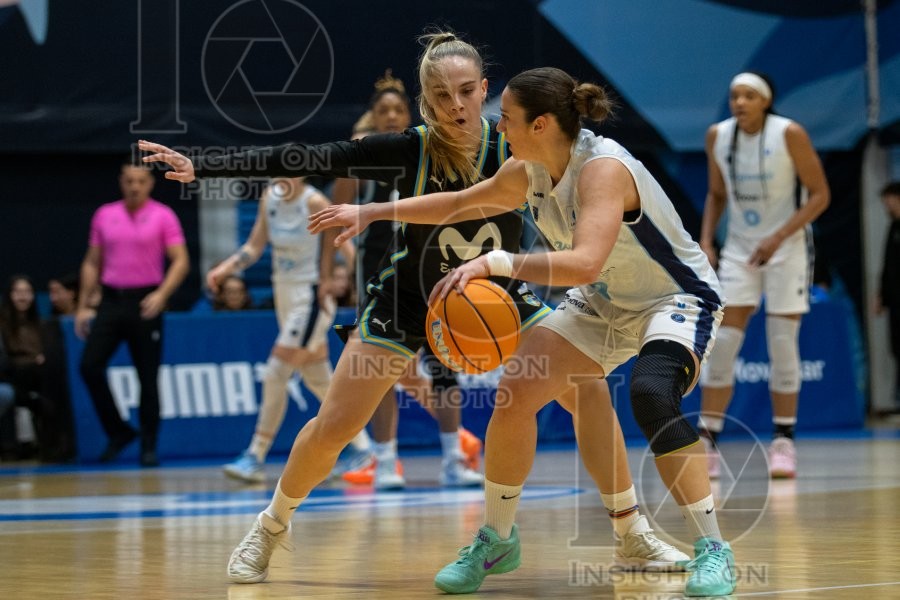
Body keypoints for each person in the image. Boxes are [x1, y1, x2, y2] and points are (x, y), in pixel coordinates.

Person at [140, 32, 687, 587]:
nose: (456, 106)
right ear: (427, 99)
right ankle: (270, 525)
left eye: (467, 91)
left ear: (485, 90)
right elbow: (315, 155)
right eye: (442, 95)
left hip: (494, 297)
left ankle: (631, 530)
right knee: (335, 424)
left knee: (587, 388)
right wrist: (205, 164)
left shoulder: (518, 145)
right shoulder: (411, 148)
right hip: (406, 299)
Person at [310, 66, 736, 597]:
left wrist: (495, 263)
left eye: (507, 118)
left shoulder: (602, 170)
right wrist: (376, 210)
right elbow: (462, 204)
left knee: (651, 393)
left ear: (540, 124)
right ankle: (497, 538)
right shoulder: (527, 167)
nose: (498, 127)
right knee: (515, 393)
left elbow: (583, 262)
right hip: (604, 301)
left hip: (673, 298)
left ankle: (714, 548)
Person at [326, 71, 482, 490]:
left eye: (398, 109)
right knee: (380, 367)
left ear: (408, 115)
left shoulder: (428, 148)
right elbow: (334, 215)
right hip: (378, 270)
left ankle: (453, 459)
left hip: (431, 264)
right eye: (384, 111)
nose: (392, 116)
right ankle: (386, 462)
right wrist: (330, 271)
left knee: (445, 362)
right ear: (374, 118)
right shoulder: (361, 154)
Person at [696, 72, 830, 479]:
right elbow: (717, 193)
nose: (740, 102)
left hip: (787, 249)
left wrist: (778, 237)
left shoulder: (789, 133)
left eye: (749, 96)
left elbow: (820, 195)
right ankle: (707, 441)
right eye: (735, 95)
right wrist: (707, 240)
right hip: (741, 250)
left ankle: (783, 442)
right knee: (723, 345)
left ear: (765, 101)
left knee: (782, 342)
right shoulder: (718, 136)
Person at [208, 177, 373, 484]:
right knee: (318, 378)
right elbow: (254, 246)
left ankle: (255, 455)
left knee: (276, 372)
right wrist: (226, 268)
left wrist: (356, 285)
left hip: (311, 297)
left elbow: (347, 248)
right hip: (284, 295)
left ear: (302, 173)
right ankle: (365, 449)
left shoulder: (315, 203)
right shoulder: (268, 198)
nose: (280, 176)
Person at [75, 163, 189, 467]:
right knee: (89, 366)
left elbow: (180, 260)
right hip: (112, 300)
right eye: (129, 181)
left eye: (140, 181)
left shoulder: (163, 215)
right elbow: (92, 262)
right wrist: (83, 305)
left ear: (150, 183)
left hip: (146, 301)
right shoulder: (105, 214)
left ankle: (149, 447)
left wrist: (162, 294)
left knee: (147, 378)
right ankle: (119, 431)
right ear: (121, 182)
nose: (134, 186)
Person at [0, 275, 46, 459]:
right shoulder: (3, 323)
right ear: (9, 295)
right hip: (11, 376)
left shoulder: (39, 323)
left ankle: (52, 443)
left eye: (27, 292)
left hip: (37, 375)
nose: (23, 296)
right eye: (18, 292)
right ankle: (10, 446)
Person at [877, 181, 900, 412]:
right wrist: (881, 296)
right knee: (896, 348)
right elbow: (887, 265)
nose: (886, 205)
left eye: (888, 200)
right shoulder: (893, 226)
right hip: (895, 301)